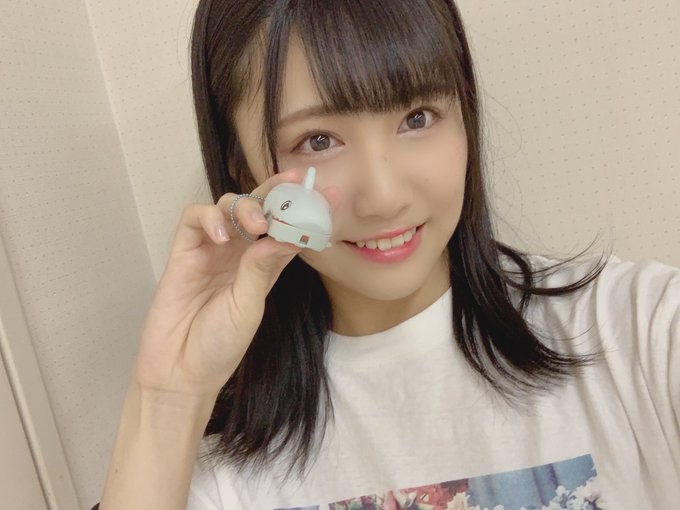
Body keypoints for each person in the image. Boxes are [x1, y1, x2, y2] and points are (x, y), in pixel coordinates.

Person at [95, 1, 679, 509]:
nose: (384, 197)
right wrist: (169, 397)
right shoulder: (210, 467)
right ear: (240, 163)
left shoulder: (636, 329)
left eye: (416, 118)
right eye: (318, 141)